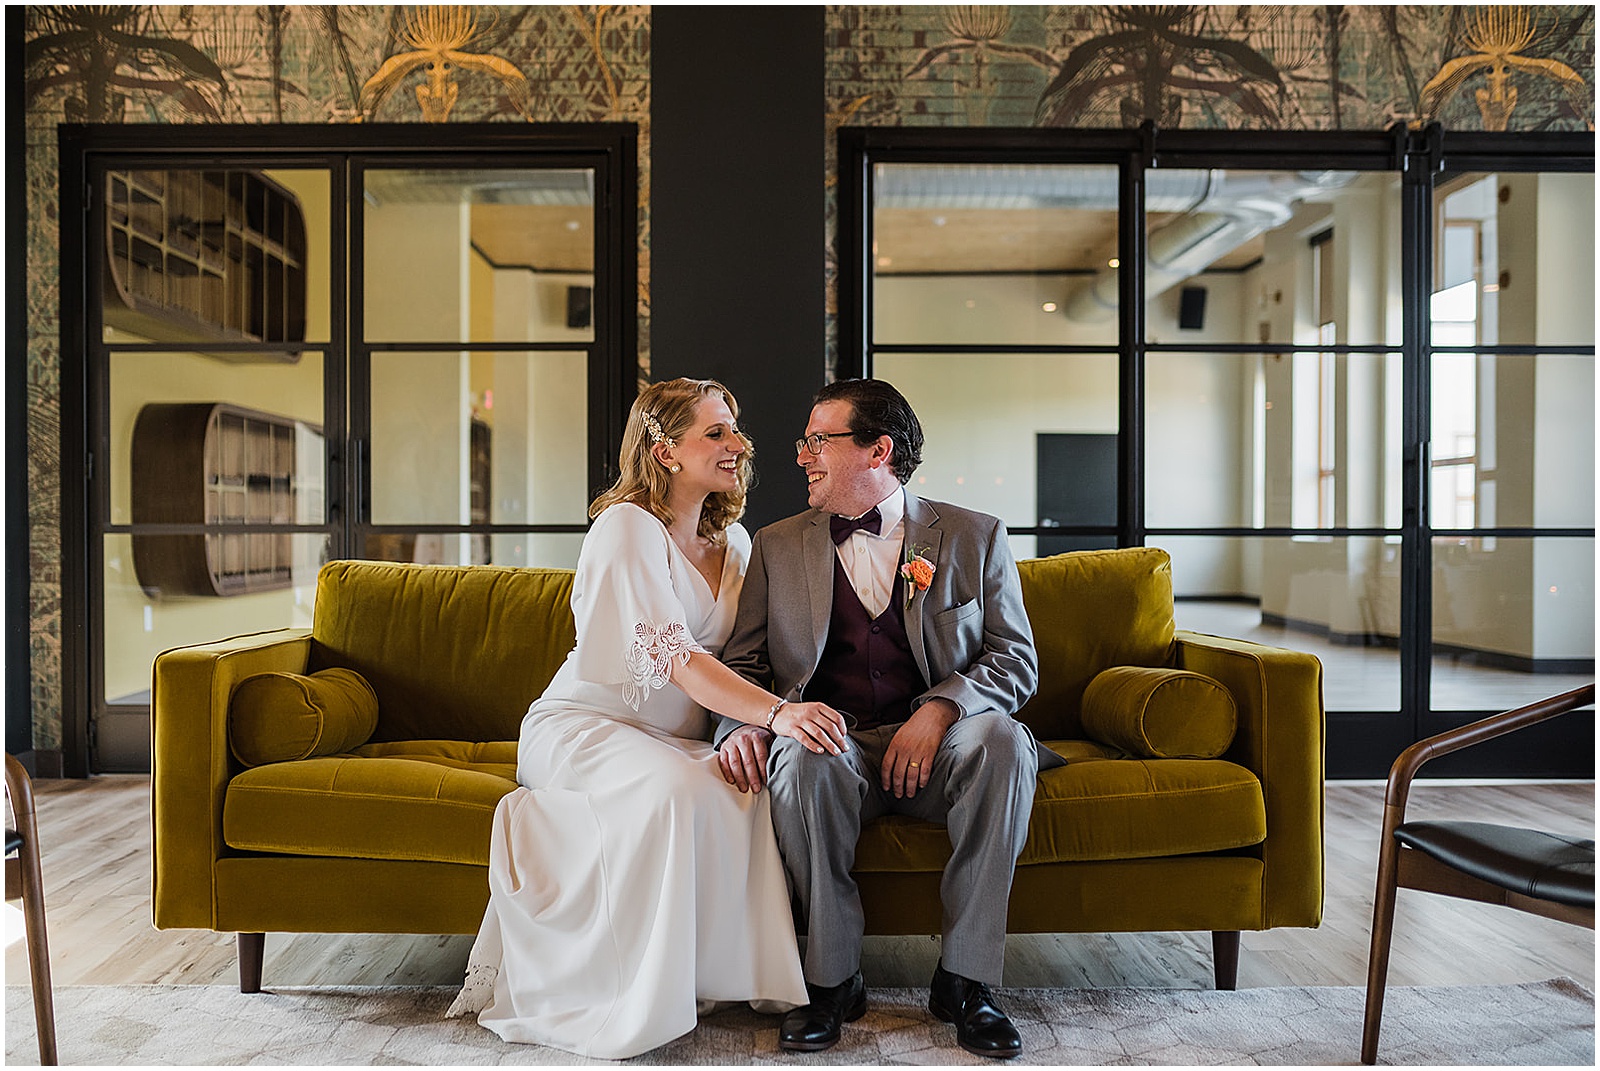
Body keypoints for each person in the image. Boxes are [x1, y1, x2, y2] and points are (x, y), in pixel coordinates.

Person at [447, 378, 851, 1060]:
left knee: (737, 785)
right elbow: (680, 659)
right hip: (585, 728)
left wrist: (752, 725)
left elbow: (749, 662)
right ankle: (631, 992)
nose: (738, 443)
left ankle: (717, 976)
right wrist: (780, 714)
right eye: (716, 432)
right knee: (680, 790)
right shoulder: (627, 527)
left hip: (669, 739)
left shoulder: (738, 544)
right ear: (665, 451)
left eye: (735, 427)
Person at [714, 378, 1062, 1059]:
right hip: (836, 750)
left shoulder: (974, 534)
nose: (802, 455)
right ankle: (832, 981)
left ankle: (967, 981)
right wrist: (753, 725)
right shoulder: (777, 546)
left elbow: (1016, 662)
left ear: (880, 449)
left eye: (820, 440)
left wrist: (941, 707)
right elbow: (746, 666)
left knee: (1003, 739)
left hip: (946, 755)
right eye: (805, 441)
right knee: (804, 751)